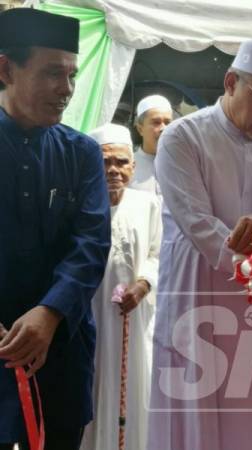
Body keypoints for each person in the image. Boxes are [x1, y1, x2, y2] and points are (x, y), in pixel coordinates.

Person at [147, 37, 252, 450]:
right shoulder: (183, 137)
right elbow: (197, 223)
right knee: (195, 398)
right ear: (231, 81)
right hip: (197, 292)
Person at [0, 8, 111, 450]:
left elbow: (92, 243)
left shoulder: (82, 153)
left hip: (61, 347)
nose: (65, 90)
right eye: (51, 73)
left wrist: (50, 313)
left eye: (72, 75)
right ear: (5, 69)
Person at [80, 124, 161, 450]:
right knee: (92, 389)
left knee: (136, 390)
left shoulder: (149, 205)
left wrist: (143, 284)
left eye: (121, 162)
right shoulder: (80, 205)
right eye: (105, 162)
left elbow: (159, 253)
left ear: (134, 165)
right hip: (91, 318)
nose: (113, 170)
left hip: (136, 320)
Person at [130, 94, 173, 196]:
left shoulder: (185, 165)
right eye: (156, 122)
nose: (164, 128)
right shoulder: (127, 166)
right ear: (140, 129)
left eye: (167, 122)